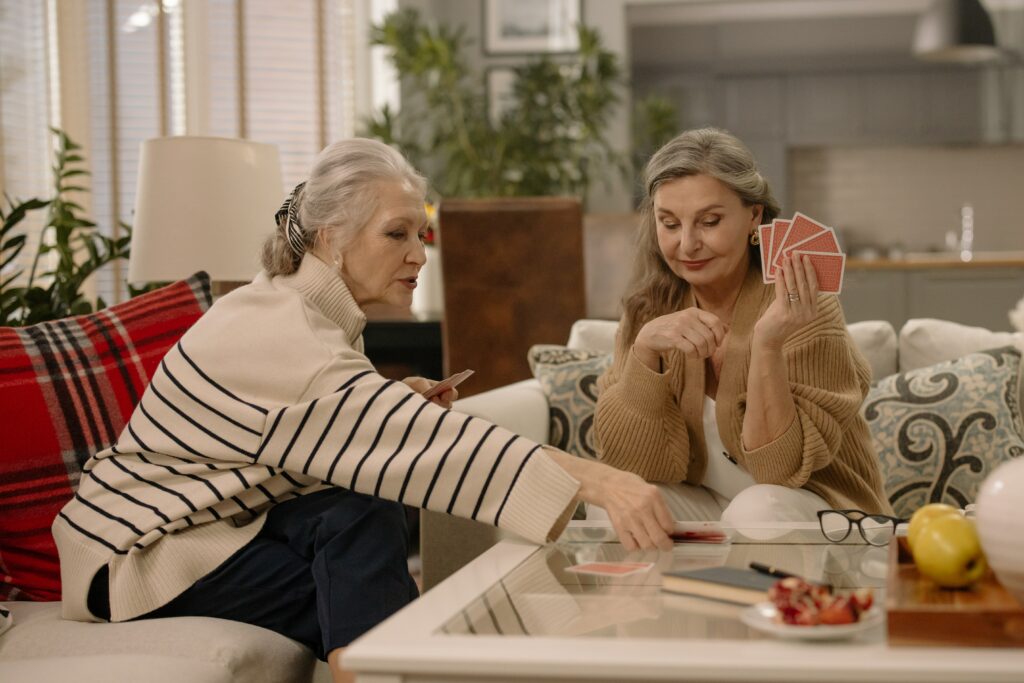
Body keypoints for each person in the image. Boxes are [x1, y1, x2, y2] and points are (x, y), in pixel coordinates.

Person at [53, 138, 673, 683]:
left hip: (206, 526)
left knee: (365, 548)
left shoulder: (293, 308)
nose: (419, 254)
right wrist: (603, 481)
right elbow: (434, 443)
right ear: (330, 237)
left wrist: (390, 405)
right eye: (396, 234)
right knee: (376, 565)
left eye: (420, 235)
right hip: (139, 554)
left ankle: (393, 659)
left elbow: (307, 424)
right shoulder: (285, 329)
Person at [592, 127, 891, 527]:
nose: (687, 244)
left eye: (709, 221)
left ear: (754, 216)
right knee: (614, 500)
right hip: (711, 503)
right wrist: (645, 351)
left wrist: (767, 344)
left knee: (757, 509)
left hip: (819, 512)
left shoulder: (803, 307)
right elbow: (625, 460)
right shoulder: (648, 310)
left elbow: (778, 469)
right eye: (670, 223)